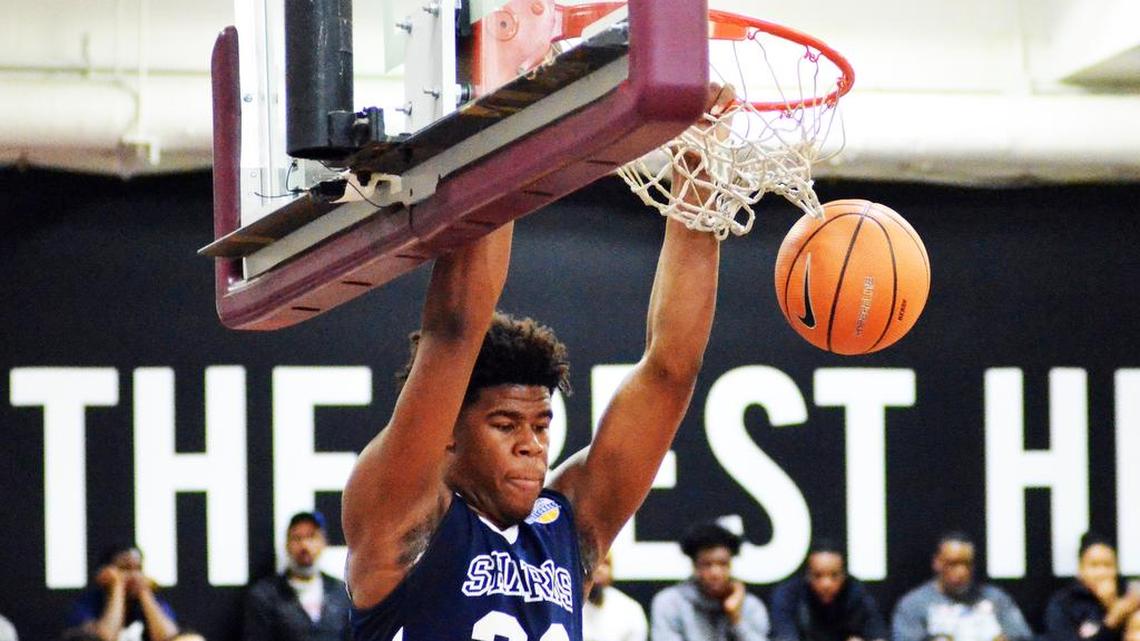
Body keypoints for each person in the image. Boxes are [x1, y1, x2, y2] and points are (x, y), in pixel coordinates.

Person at [342, 85, 733, 641]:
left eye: (541, 424)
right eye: (505, 425)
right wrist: (505, 122)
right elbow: (453, 333)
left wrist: (698, 160)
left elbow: (670, 370)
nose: (532, 445)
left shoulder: (567, 527)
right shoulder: (405, 517)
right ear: (448, 433)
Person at [891, 532, 1031, 641]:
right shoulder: (914, 604)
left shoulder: (996, 599)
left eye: (967, 564)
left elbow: (1022, 636)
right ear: (937, 563)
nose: (961, 572)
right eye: (953, 564)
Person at [649, 522, 770, 641]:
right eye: (707, 564)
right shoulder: (670, 602)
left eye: (723, 564)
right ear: (695, 566)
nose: (715, 573)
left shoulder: (750, 606)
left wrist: (736, 618)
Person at [244, 511, 352, 641]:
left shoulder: (340, 592)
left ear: (323, 543)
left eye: (311, 537)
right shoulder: (266, 596)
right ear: (287, 545)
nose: (304, 546)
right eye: (297, 538)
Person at [769, 539, 887, 641]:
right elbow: (784, 635)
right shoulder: (789, 596)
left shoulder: (858, 594)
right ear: (807, 575)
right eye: (818, 575)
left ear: (844, 575)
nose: (826, 584)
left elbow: (878, 635)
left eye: (834, 575)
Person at [64, 544, 179, 641]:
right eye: (125, 569)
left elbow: (170, 638)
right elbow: (104, 638)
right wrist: (117, 587)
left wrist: (144, 592)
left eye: (138, 569)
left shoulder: (155, 603)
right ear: (105, 572)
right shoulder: (86, 605)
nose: (134, 576)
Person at [1043, 532, 1140, 641]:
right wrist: (1112, 619)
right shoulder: (1064, 603)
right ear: (1081, 569)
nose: (1101, 573)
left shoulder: (1128, 597)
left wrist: (1112, 604)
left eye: (1108, 565)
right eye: (1094, 565)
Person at [583, 550, 648, 641]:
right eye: (594, 564)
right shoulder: (568, 605)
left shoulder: (631, 610)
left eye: (605, 563)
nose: (599, 569)